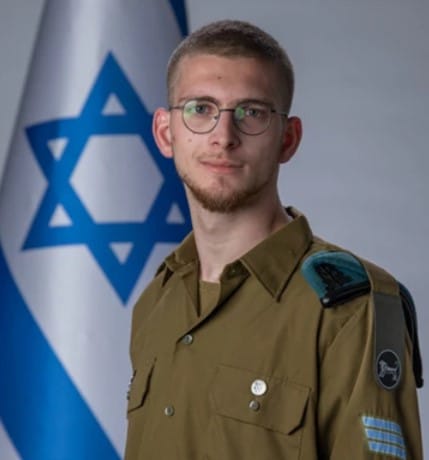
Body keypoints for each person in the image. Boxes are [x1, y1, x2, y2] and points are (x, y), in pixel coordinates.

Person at [124, 20, 423, 459]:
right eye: (200, 109)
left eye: (252, 113)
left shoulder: (352, 307)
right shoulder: (157, 301)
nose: (224, 137)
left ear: (288, 139)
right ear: (166, 133)